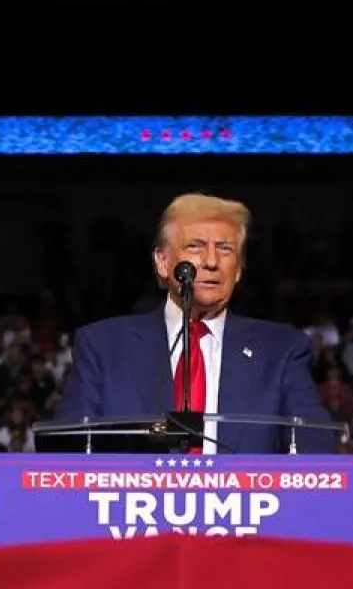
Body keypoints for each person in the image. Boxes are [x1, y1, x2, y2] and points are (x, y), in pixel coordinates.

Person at [54, 193, 336, 454]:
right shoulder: (104, 346)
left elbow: (316, 448)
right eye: (195, 247)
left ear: (237, 269)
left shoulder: (282, 350)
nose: (211, 261)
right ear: (162, 262)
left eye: (225, 249)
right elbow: (69, 452)